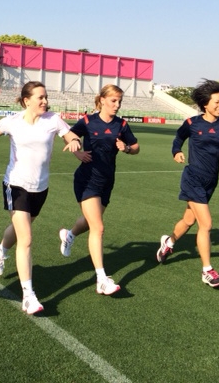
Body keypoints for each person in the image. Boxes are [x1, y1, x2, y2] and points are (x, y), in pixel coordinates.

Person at [0, 81, 81, 314]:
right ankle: (28, 295)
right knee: (26, 238)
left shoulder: (53, 119)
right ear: (27, 100)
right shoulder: (12, 122)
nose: (45, 101)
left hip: (41, 187)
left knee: (20, 231)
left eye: (46, 97)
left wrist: (75, 141)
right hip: (15, 185)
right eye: (40, 97)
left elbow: (71, 136)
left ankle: (0, 250)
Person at [156, 79, 219, 288]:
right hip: (192, 178)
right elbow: (178, 139)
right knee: (206, 224)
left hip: (211, 181)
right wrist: (176, 151)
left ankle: (169, 242)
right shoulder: (192, 123)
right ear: (205, 104)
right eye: (217, 102)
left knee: (188, 221)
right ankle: (207, 270)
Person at [58, 85, 140, 295]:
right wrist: (77, 153)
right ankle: (102, 279)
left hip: (107, 181)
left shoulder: (121, 124)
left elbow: (136, 147)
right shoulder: (87, 121)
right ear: (102, 100)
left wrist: (127, 149)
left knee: (89, 222)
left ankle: (69, 235)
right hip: (86, 180)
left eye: (119, 101)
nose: (117, 105)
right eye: (113, 100)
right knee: (99, 227)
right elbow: (69, 136)